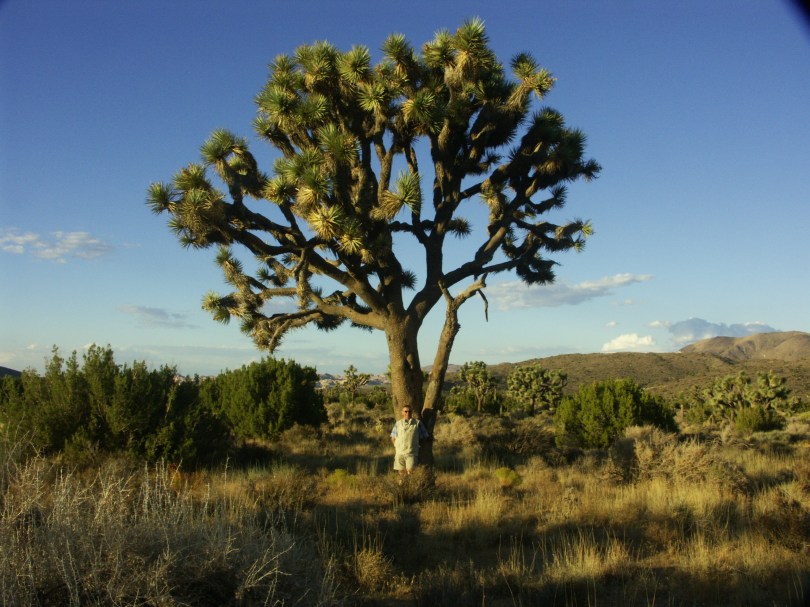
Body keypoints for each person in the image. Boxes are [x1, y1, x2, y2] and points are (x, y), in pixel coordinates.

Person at [390, 406, 429, 475]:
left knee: (411, 472)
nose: (408, 413)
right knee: (401, 473)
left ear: (412, 412)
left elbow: (424, 436)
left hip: (411, 453)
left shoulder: (417, 423)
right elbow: (393, 437)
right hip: (399, 453)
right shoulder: (398, 424)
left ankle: (410, 485)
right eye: (405, 411)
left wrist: (417, 445)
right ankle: (402, 486)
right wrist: (396, 446)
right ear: (402, 413)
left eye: (409, 411)